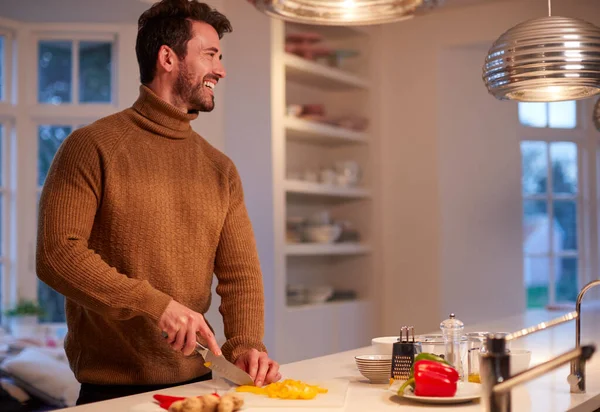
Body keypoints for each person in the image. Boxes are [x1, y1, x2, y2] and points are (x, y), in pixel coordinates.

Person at [36, 0, 280, 405]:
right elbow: (57, 254)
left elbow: (241, 276)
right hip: (110, 393)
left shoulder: (220, 168)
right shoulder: (91, 146)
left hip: (199, 389)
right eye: (210, 55)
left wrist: (246, 346)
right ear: (168, 57)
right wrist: (155, 305)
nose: (220, 69)